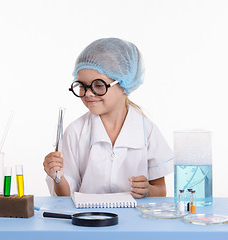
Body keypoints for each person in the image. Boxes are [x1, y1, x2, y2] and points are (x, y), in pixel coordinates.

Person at [43, 38, 173, 198]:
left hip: (134, 220)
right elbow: (66, 196)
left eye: (99, 85)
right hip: (88, 219)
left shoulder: (147, 130)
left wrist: (147, 190)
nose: (88, 93)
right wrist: (58, 178)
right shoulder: (75, 132)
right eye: (82, 86)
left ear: (124, 84)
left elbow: (160, 191)